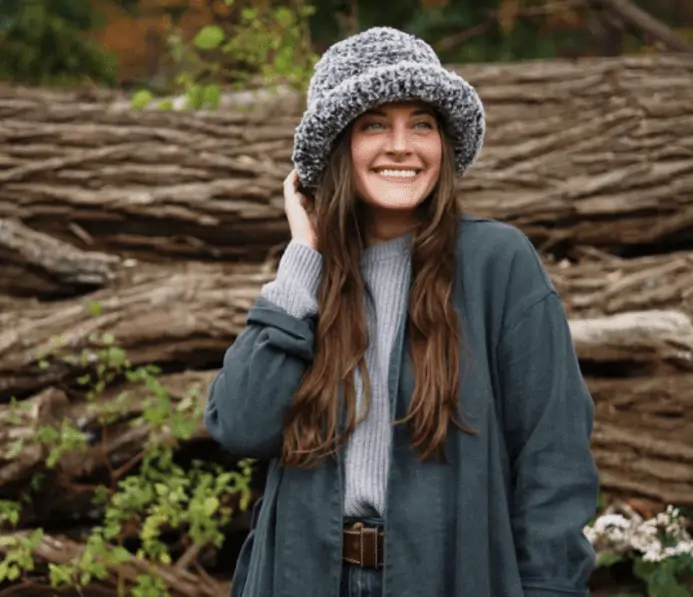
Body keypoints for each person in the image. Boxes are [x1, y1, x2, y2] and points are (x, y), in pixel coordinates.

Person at [203, 26, 599, 597]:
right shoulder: (313, 277)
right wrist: (302, 259)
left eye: (421, 123)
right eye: (374, 125)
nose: (401, 145)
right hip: (306, 577)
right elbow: (240, 425)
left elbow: (553, 460)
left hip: (447, 577)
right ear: (340, 145)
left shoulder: (498, 264)